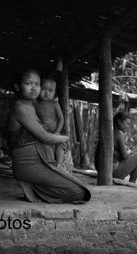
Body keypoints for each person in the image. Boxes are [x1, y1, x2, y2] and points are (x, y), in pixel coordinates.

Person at [5, 68, 91, 203]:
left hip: (41, 162)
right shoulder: (20, 108)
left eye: (37, 84)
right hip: (28, 164)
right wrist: (65, 138)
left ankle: (33, 184)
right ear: (17, 86)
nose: (34, 88)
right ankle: (29, 182)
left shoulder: (32, 106)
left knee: (80, 189)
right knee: (79, 192)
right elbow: (44, 137)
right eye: (28, 84)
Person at [34, 76, 64, 165]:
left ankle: (59, 165)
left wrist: (57, 131)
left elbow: (61, 119)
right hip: (42, 133)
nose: (46, 93)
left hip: (55, 132)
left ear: (54, 93)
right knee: (46, 148)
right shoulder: (35, 104)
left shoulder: (55, 104)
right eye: (43, 89)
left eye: (50, 91)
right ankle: (50, 164)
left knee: (60, 146)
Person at [112, 112, 137, 183]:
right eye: (127, 123)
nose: (128, 126)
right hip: (114, 172)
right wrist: (130, 152)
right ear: (119, 122)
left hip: (103, 169)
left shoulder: (110, 131)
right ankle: (132, 182)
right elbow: (124, 156)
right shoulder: (118, 134)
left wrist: (118, 153)